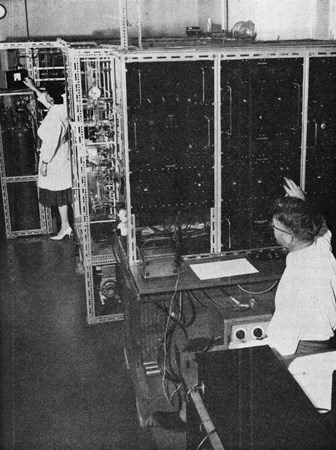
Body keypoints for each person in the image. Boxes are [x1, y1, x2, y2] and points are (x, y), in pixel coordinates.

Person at [265, 177, 336, 357]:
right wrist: (302, 204)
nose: (272, 229)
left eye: (275, 227)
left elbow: (284, 340)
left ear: (289, 238)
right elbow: (323, 230)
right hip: (327, 343)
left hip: (303, 349)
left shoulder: (296, 278)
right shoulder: (321, 250)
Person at [24, 77, 72, 240]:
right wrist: (34, 88)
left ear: (52, 97)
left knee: (59, 194)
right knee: (61, 195)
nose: (46, 96)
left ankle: (65, 226)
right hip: (61, 158)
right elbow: (49, 104)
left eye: (47, 94)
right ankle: (65, 225)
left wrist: (44, 162)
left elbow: (50, 143)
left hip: (53, 160)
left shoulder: (53, 118)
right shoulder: (62, 109)